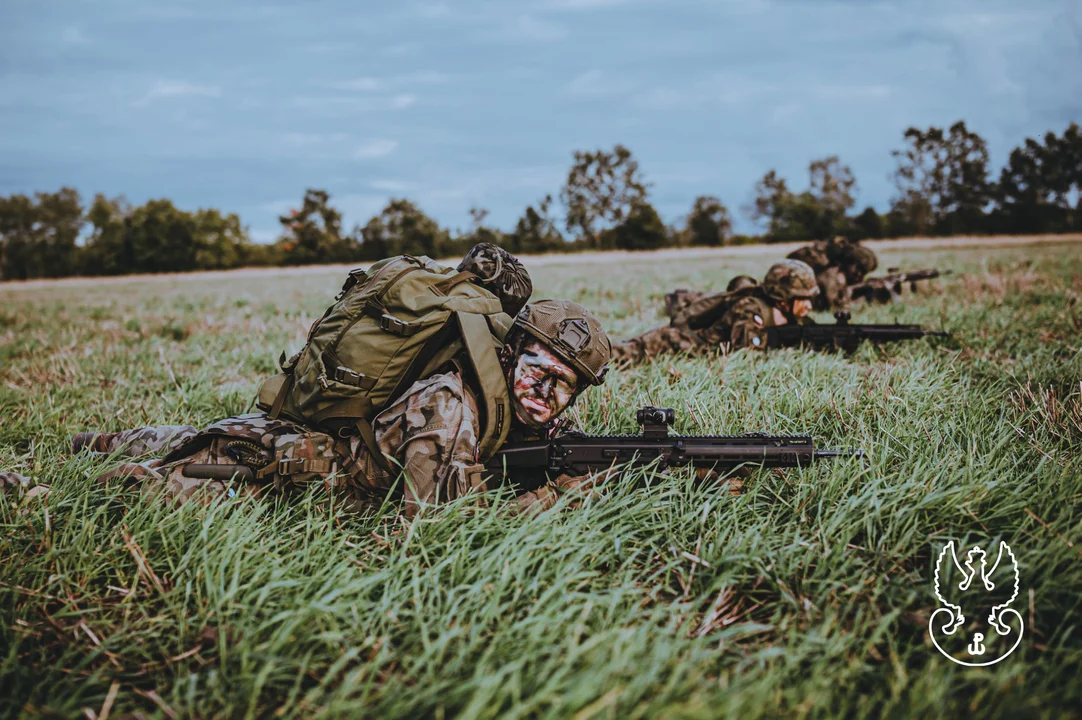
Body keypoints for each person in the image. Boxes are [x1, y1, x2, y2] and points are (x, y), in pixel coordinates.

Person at [1, 249, 614, 518]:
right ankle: (26, 491)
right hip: (286, 475)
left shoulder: (502, 398)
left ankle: (101, 439)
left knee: (198, 435)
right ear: (508, 356)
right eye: (538, 373)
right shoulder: (450, 406)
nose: (546, 394)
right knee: (147, 490)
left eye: (564, 387)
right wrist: (551, 497)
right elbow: (435, 532)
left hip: (297, 433)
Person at [611, 259, 819, 366]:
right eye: (804, 300)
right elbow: (746, 353)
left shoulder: (788, 315)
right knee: (615, 355)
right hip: (679, 343)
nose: (809, 306)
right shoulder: (749, 307)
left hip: (693, 348)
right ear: (783, 298)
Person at [786, 236, 878, 312]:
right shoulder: (829, 271)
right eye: (859, 269)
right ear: (850, 262)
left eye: (864, 272)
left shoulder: (836, 269)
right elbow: (834, 306)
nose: (859, 275)